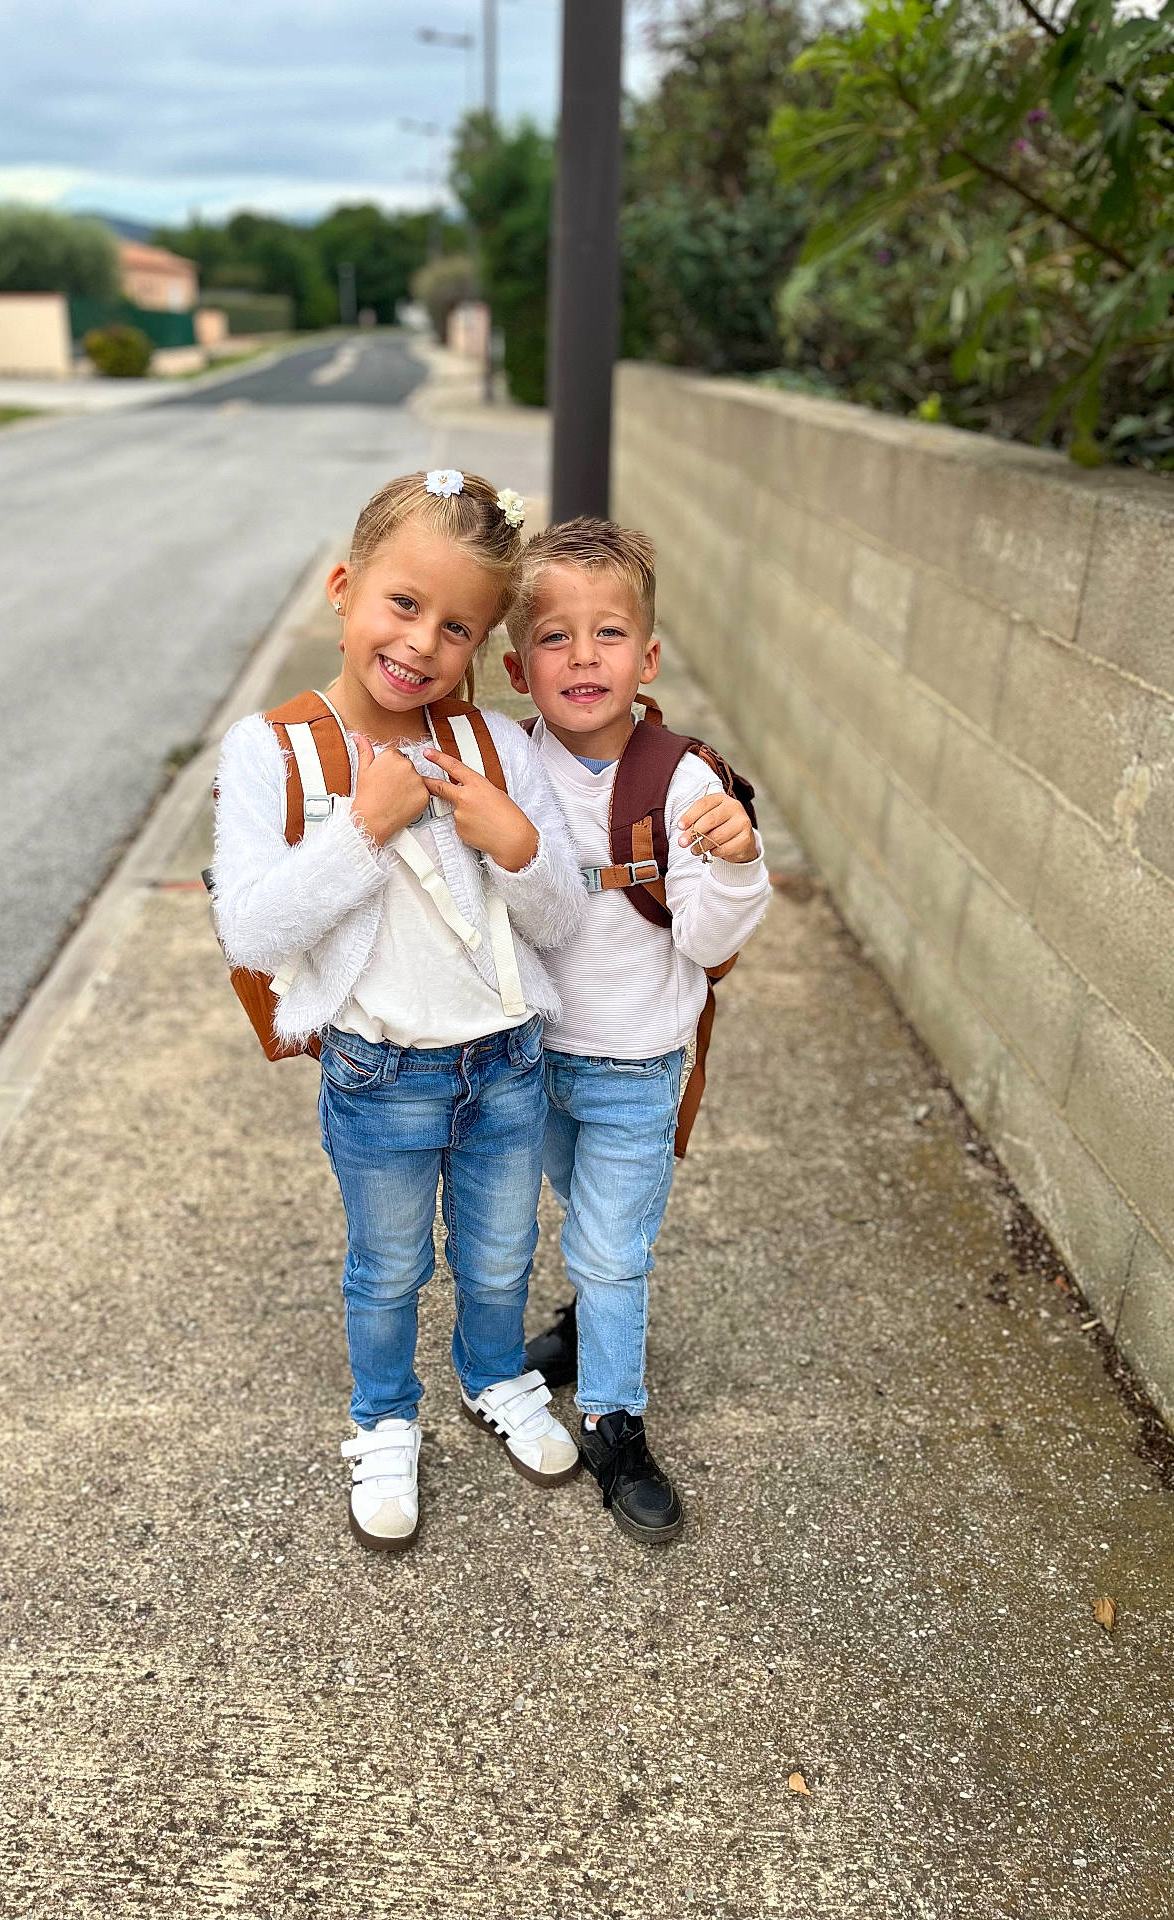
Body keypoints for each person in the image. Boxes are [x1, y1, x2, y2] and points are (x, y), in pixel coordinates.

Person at [212, 471, 585, 1553]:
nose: (423, 644)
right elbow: (252, 932)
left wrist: (516, 846)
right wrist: (360, 830)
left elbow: (556, 916)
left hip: (507, 1064)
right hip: (379, 1074)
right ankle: (383, 1416)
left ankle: (492, 1375)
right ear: (344, 586)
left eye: (457, 626)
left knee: (504, 1250)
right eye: (404, 605)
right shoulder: (272, 751)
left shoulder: (497, 749)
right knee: (387, 1266)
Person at [504, 517, 771, 1543]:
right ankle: (583, 1319)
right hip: (530, 1062)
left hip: (633, 1066)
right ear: (521, 668)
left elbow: (706, 942)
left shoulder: (683, 781)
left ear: (647, 656)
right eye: (556, 637)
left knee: (614, 1252)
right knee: (577, 1213)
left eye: (608, 633)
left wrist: (738, 861)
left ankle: (614, 1419)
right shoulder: (506, 764)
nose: (583, 656)